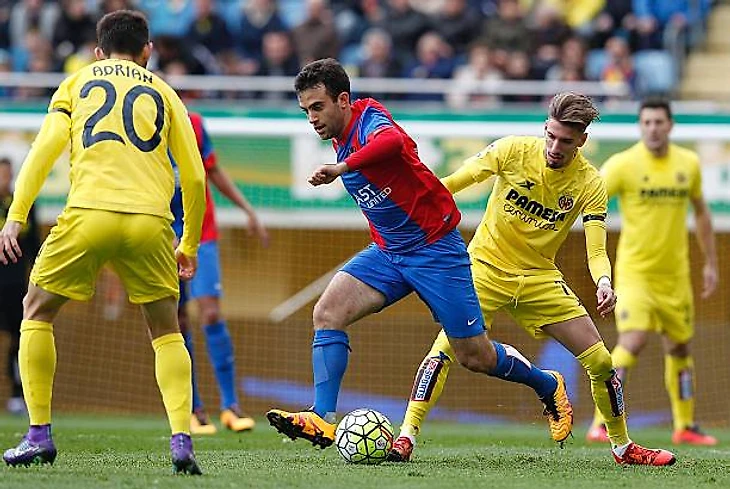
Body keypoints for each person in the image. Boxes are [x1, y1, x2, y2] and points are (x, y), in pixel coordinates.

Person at [266, 58, 574, 450]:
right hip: (389, 253)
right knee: (327, 312)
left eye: (317, 107)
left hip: (435, 250)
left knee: (474, 355)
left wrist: (341, 167)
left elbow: (391, 143)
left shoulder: (370, 118)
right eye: (306, 110)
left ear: (343, 99)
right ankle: (322, 417)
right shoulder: (338, 138)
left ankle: (547, 383)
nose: (311, 118)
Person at [386, 92, 676, 467]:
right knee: (443, 352)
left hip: (539, 278)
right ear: (545, 128)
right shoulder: (512, 151)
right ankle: (405, 437)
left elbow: (596, 251)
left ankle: (623, 448)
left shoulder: (590, 183)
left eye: (566, 141)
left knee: (602, 361)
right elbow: (454, 182)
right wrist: (407, 204)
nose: (555, 147)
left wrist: (604, 281)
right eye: (551, 136)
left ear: (582, 141)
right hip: (484, 271)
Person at [0, 10, 206, 475]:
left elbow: (42, 152)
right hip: (150, 222)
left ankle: (38, 435)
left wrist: (16, 217)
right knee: (166, 329)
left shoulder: (76, 83)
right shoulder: (166, 92)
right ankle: (181, 440)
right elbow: (193, 177)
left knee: (36, 310)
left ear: (97, 51)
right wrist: (187, 241)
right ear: (147, 51)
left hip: (88, 214)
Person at [587, 98, 719, 446]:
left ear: (670, 125)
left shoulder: (687, 164)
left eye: (659, 122)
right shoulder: (624, 165)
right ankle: (602, 421)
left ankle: (685, 425)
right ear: (640, 126)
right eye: (647, 123)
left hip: (675, 276)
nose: (653, 129)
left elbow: (702, 212)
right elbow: (590, 196)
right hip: (636, 274)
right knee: (634, 339)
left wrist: (710, 263)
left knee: (679, 346)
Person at [170, 111, 269, 435]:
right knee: (177, 319)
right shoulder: (142, 122)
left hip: (202, 231)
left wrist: (247, 209)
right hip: (161, 229)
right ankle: (193, 408)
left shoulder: (194, 123)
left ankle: (231, 405)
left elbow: (213, 170)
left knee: (210, 313)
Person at [0, 157, 40, 415]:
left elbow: (34, 244)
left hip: (16, 286)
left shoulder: (21, 206)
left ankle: (17, 394)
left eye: (7, 174)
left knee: (20, 338)